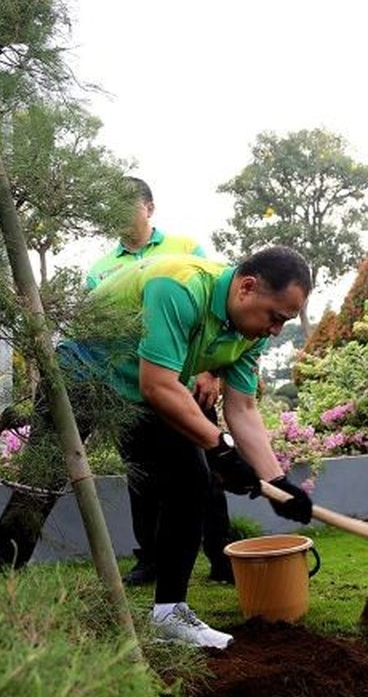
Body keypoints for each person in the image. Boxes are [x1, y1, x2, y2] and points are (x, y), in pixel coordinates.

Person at [61, 246, 314, 648]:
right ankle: (2, 599)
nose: (276, 330)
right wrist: (222, 450)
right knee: (40, 484)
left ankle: (169, 615)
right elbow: (158, 385)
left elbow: (242, 408)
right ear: (247, 287)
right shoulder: (179, 285)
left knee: (192, 481)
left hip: (143, 386)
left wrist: (277, 483)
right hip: (83, 371)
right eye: (276, 317)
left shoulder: (249, 333)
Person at [84, 176, 236, 586]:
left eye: (126, 205)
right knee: (142, 477)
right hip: (132, 389)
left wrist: (209, 371)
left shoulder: (185, 248)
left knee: (208, 466)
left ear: (149, 207)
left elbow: (217, 307)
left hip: (186, 385)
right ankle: (150, 559)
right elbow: (96, 333)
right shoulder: (99, 270)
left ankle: (222, 555)